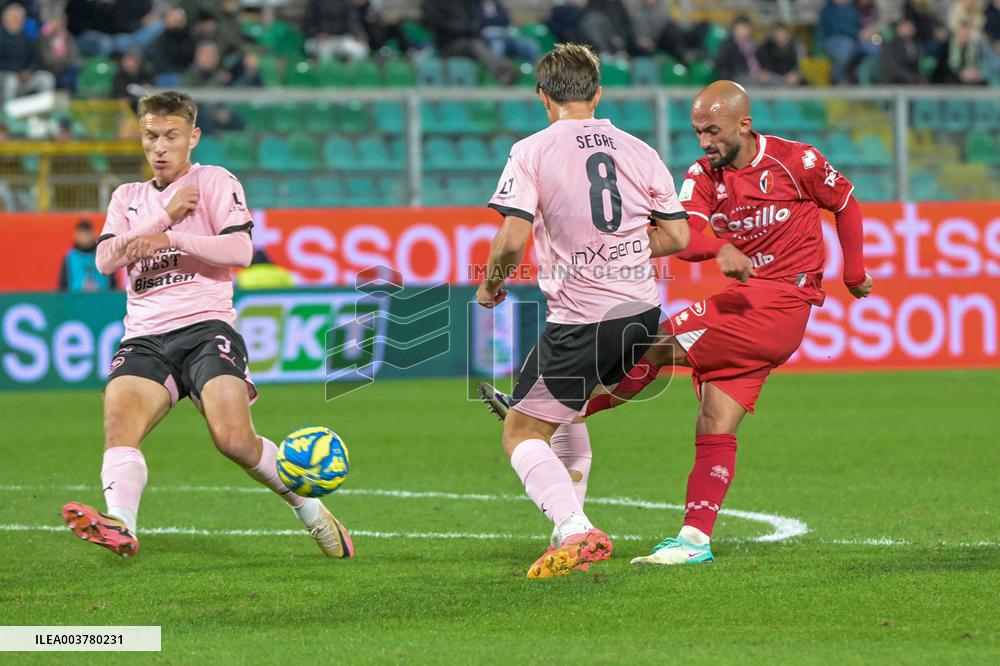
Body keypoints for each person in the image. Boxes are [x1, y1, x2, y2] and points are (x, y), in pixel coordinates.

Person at [483, 80, 872, 566]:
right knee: (714, 421)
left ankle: (572, 409)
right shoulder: (705, 175)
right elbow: (683, 234)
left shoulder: (797, 162)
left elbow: (844, 201)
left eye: (713, 131)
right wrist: (713, 247)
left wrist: (853, 272)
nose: (705, 142)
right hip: (750, 304)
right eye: (698, 132)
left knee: (651, 340)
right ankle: (693, 540)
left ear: (744, 124)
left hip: (778, 301)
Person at [60, 91, 354, 561]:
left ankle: (314, 514)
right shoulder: (128, 197)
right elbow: (103, 260)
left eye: (171, 136)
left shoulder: (214, 181)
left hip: (205, 326)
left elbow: (240, 252)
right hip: (144, 336)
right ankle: (121, 524)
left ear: (192, 137)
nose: (160, 146)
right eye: (151, 136)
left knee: (233, 440)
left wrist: (173, 236)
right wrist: (164, 215)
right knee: (119, 428)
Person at [476, 44, 690, 578]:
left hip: (583, 319)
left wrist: (490, 286)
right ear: (597, 94)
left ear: (543, 97)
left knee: (522, 433)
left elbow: (511, 240)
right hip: (641, 312)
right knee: (564, 413)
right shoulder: (639, 149)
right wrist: (627, 248)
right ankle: (565, 526)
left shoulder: (532, 150)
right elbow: (679, 234)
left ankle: (574, 529)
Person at [0, 3, 55, 100]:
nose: (16, 21)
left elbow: (35, 60)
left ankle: (42, 110)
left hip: (25, 77)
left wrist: (29, 71)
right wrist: (17, 72)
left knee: (46, 78)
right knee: (11, 80)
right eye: (13, 18)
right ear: (5, 21)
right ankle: (9, 112)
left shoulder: (27, 39)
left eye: (19, 19)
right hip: (6, 77)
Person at [58, 219, 116, 292]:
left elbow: (113, 285)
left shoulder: (104, 255)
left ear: (93, 234)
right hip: (76, 301)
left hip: (102, 300)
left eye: (86, 233)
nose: (84, 237)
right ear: (76, 235)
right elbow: (62, 286)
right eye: (81, 233)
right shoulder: (70, 257)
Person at [302, 0, 369, 63]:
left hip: (342, 39)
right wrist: (317, 34)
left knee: (360, 50)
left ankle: (349, 72)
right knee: (321, 51)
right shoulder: (315, 2)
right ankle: (323, 71)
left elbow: (353, 21)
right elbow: (308, 24)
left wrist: (358, 34)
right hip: (321, 40)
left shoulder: (347, 2)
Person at [819, 0, 863, 83]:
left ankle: (862, 76)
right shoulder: (828, 9)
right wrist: (857, 34)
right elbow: (837, 27)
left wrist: (866, 33)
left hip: (855, 39)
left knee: (873, 47)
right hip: (833, 41)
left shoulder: (852, 8)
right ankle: (835, 77)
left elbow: (858, 24)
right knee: (847, 47)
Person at [714, 15, 766, 85]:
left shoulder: (754, 44)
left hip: (758, 75)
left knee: (776, 80)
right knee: (754, 82)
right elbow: (723, 67)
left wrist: (765, 72)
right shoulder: (727, 46)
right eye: (741, 28)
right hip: (736, 77)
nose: (744, 31)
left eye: (746, 28)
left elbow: (765, 61)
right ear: (734, 30)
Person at [877, 18, 923, 84]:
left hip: (909, 78)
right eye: (907, 27)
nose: (911, 29)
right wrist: (911, 78)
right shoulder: (892, 43)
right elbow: (892, 66)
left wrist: (919, 77)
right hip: (892, 80)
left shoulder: (915, 43)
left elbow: (918, 63)